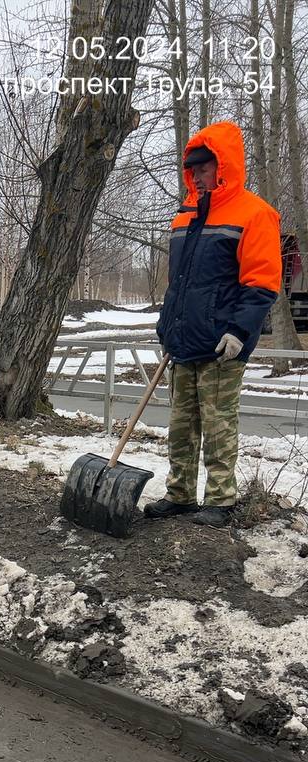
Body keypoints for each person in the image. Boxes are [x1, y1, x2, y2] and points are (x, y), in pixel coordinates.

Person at [149, 121, 282, 528]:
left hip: (224, 343)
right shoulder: (184, 216)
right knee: (181, 426)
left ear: (223, 166)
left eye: (205, 167)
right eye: (194, 169)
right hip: (184, 340)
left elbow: (262, 284)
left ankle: (221, 500)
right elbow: (181, 283)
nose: (199, 175)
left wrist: (239, 331)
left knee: (219, 425)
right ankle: (180, 494)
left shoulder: (254, 214)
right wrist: (166, 327)